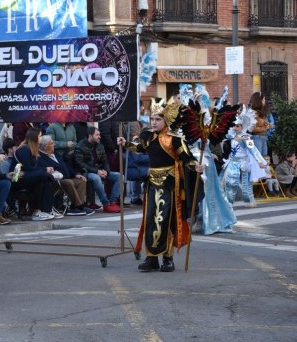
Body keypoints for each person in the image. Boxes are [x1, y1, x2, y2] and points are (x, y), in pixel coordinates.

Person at [116, 98, 203, 272]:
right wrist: (125, 144)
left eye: (158, 119)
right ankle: (152, 258)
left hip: (169, 186)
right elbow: (139, 148)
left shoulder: (175, 140)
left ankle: (168, 258)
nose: (153, 122)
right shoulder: (148, 136)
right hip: (151, 185)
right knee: (150, 221)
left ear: (166, 121)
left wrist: (196, 166)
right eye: (152, 119)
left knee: (165, 221)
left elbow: (187, 159)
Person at [220, 106, 267, 208]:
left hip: (244, 163)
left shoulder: (246, 138)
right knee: (230, 183)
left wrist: (259, 162)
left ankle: (249, 200)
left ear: (242, 127)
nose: (235, 128)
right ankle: (228, 203)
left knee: (246, 185)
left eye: (237, 126)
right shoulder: (230, 136)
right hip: (233, 162)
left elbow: (253, 150)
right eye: (234, 125)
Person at [38, 135, 93, 216]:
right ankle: (79, 206)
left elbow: (65, 166)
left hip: (66, 177)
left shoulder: (55, 153)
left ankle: (76, 207)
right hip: (55, 181)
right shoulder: (40, 157)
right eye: (52, 143)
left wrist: (75, 174)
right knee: (68, 182)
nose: (54, 145)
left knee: (81, 180)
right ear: (46, 146)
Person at [74, 126, 122, 213]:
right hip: (85, 172)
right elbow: (80, 164)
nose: (99, 136)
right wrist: (97, 171)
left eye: (99, 134)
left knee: (119, 176)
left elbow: (105, 161)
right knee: (96, 177)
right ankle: (106, 204)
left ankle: (113, 201)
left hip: (99, 171)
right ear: (90, 136)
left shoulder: (100, 146)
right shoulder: (80, 146)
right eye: (97, 135)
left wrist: (106, 171)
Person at [12, 128, 55, 221]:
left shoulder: (32, 149)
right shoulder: (24, 149)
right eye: (39, 136)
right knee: (44, 175)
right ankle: (38, 212)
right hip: (18, 178)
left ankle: (46, 210)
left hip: (28, 176)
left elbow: (33, 169)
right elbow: (28, 168)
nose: (41, 138)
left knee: (46, 182)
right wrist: (45, 169)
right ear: (34, 137)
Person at [249, 92, 271, 159]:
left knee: (264, 160)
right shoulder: (252, 112)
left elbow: (262, 124)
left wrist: (267, 124)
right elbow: (252, 128)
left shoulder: (260, 112)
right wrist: (265, 128)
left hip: (263, 138)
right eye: (263, 99)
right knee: (258, 160)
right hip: (256, 138)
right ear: (259, 100)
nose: (264, 101)